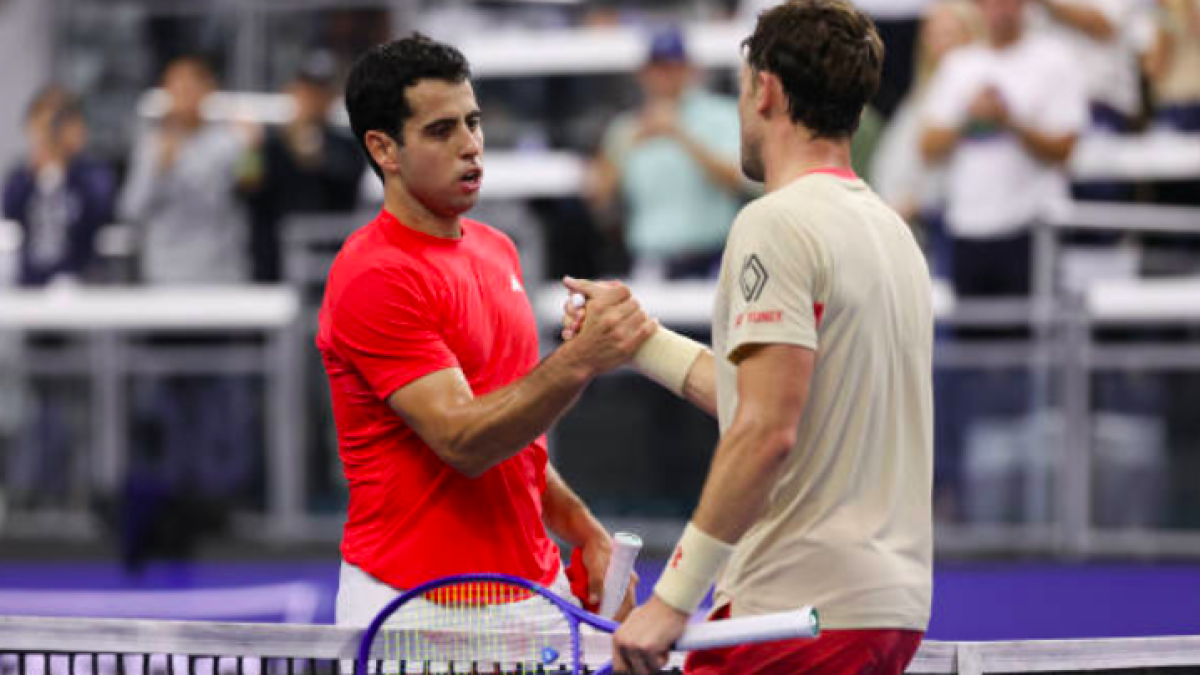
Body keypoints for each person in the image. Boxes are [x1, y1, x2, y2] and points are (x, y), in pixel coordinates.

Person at [572, 2, 935, 673]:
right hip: (887, 611)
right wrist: (642, 338)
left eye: (742, 89)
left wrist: (673, 598)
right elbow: (778, 397)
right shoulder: (893, 235)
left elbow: (765, 428)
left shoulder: (774, 223)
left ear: (764, 89)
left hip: (793, 608)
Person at [318, 34, 654, 626]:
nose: (472, 146)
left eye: (472, 122)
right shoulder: (372, 274)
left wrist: (580, 527)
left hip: (534, 594)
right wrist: (579, 360)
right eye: (441, 131)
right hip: (414, 608)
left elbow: (512, 434)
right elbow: (465, 441)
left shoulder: (498, 250)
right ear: (383, 149)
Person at [920, 0, 1087, 300]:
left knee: (1026, 337)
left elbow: (1065, 148)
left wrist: (1009, 121)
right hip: (968, 225)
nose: (998, 11)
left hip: (1031, 225)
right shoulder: (959, 64)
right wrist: (971, 119)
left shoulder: (1054, 59)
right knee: (972, 337)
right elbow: (927, 146)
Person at [2, 85, 116, 508]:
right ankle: (30, 492)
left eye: (57, 121)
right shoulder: (22, 175)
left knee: (77, 401)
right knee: (32, 400)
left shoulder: (90, 175)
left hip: (78, 297)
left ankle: (80, 493)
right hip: (31, 304)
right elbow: (10, 210)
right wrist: (40, 172)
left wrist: (69, 165)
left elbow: (100, 212)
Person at [586, 26, 746, 282]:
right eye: (658, 68)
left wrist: (681, 136)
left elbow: (738, 181)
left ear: (689, 70)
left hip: (713, 257)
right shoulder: (626, 127)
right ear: (644, 74)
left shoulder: (721, 116)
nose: (665, 76)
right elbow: (599, 197)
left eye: (674, 67)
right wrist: (627, 144)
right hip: (651, 261)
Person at [242, 51, 364, 283]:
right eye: (306, 90)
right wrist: (250, 151)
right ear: (293, 92)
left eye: (320, 92)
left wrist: (317, 156)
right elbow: (247, 190)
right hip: (273, 269)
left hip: (330, 269)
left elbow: (348, 182)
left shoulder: (348, 146)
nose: (312, 99)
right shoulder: (269, 146)